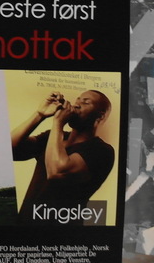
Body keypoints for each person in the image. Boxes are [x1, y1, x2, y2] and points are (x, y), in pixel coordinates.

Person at [10, 89, 114, 220]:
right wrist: (39, 115)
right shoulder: (53, 137)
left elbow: (57, 172)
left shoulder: (101, 151)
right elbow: (11, 149)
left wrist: (58, 123)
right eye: (77, 100)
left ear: (100, 116)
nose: (77, 104)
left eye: (86, 102)